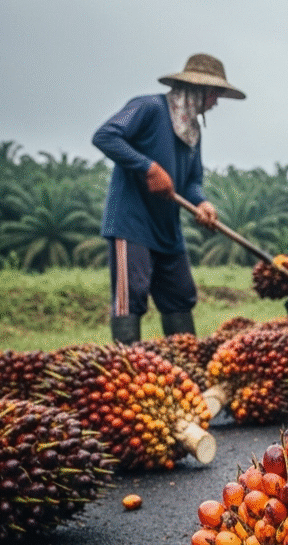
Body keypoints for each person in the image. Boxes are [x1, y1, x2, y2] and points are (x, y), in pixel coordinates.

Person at [93, 53, 245, 344]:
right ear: (199, 90)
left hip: (167, 229)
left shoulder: (191, 131)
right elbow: (105, 135)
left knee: (180, 295)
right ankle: (128, 371)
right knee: (131, 295)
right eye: (215, 95)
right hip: (132, 223)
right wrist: (147, 167)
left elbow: (191, 181)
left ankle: (186, 367)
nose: (215, 103)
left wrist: (202, 202)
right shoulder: (147, 107)